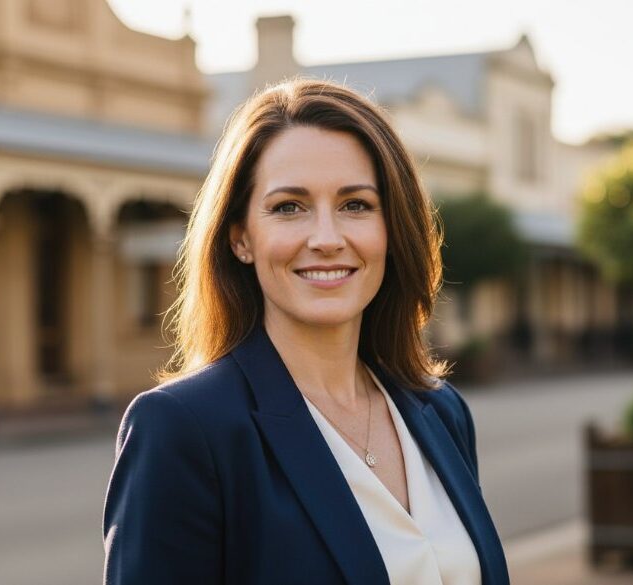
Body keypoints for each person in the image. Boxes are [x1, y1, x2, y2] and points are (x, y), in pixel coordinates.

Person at [103, 78, 509, 585]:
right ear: (241, 238)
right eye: (288, 207)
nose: (325, 238)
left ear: (392, 228)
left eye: (355, 204)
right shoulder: (184, 429)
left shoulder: (441, 411)